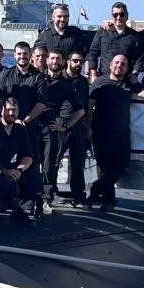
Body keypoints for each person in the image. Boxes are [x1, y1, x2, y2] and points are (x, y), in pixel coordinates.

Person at [31, 50, 82, 214]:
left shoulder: (66, 85)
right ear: (47, 60)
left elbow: (80, 110)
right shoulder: (37, 78)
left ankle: (47, 198)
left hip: (51, 128)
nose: (54, 61)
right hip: (32, 125)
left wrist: (65, 126)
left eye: (58, 59)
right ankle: (30, 195)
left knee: (49, 165)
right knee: (30, 162)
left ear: (63, 62)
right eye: (52, 58)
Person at [87, 56, 137, 208]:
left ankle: (95, 188)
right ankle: (108, 201)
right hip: (101, 132)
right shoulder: (100, 82)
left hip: (122, 133)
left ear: (127, 68)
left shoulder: (130, 83)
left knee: (122, 164)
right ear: (110, 65)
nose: (119, 66)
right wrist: (88, 128)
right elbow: (89, 107)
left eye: (123, 64)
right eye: (116, 63)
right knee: (106, 168)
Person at [0, 98, 36, 225]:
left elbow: (28, 155)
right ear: (1, 110)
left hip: (12, 168)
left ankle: (20, 212)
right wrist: (3, 171)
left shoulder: (20, 130)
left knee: (32, 173)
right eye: (8, 109)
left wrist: (19, 169)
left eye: (14, 110)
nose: (11, 113)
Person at [63, 50, 91, 204]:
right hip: (63, 126)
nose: (77, 64)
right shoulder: (60, 79)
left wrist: (88, 128)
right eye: (74, 61)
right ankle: (49, 194)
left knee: (78, 162)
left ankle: (78, 194)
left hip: (79, 127)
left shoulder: (82, 82)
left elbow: (86, 106)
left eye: (80, 61)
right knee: (54, 160)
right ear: (68, 61)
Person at [87, 3, 144, 78]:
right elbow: (93, 53)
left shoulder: (135, 36)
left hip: (126, 80)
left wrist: (134, 74)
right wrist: (93, 74)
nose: (118, 17)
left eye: (121, 14)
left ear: (127, 16)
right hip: (104, 79)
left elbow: (139, 58)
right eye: (115, 15)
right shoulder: (102, 32)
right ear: (112, 16)